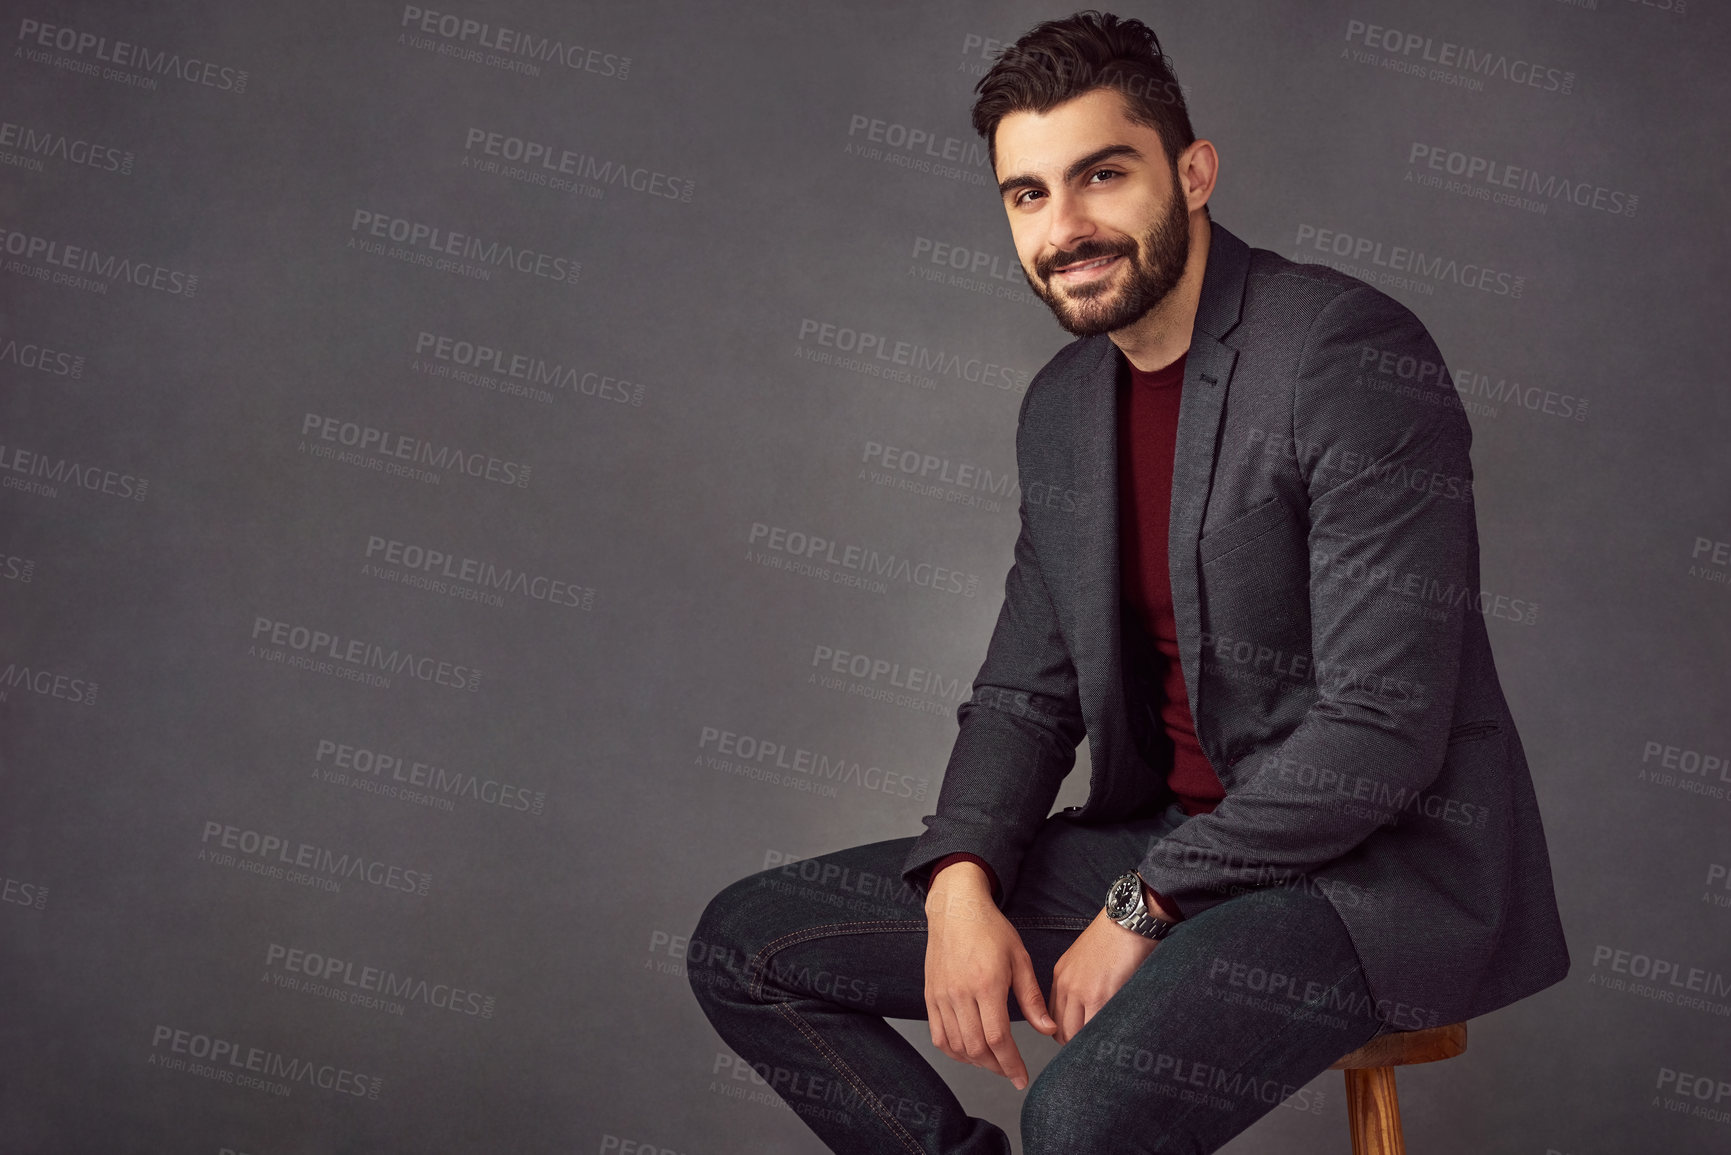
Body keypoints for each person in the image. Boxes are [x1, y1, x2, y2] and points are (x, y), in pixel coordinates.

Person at [689, 11, 1569, 1152]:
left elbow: (1379, 733)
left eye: (1103, 175)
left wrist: (1143, 901)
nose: (1067, 226)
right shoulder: (1061, 410)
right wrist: (960, 879)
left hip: (1365, 878)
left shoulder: (1347, 355)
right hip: (1170, 841)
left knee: (1081, 1118)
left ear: (1192, 174)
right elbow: (1025, 695)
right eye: (1028, 194)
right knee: (744, 948)